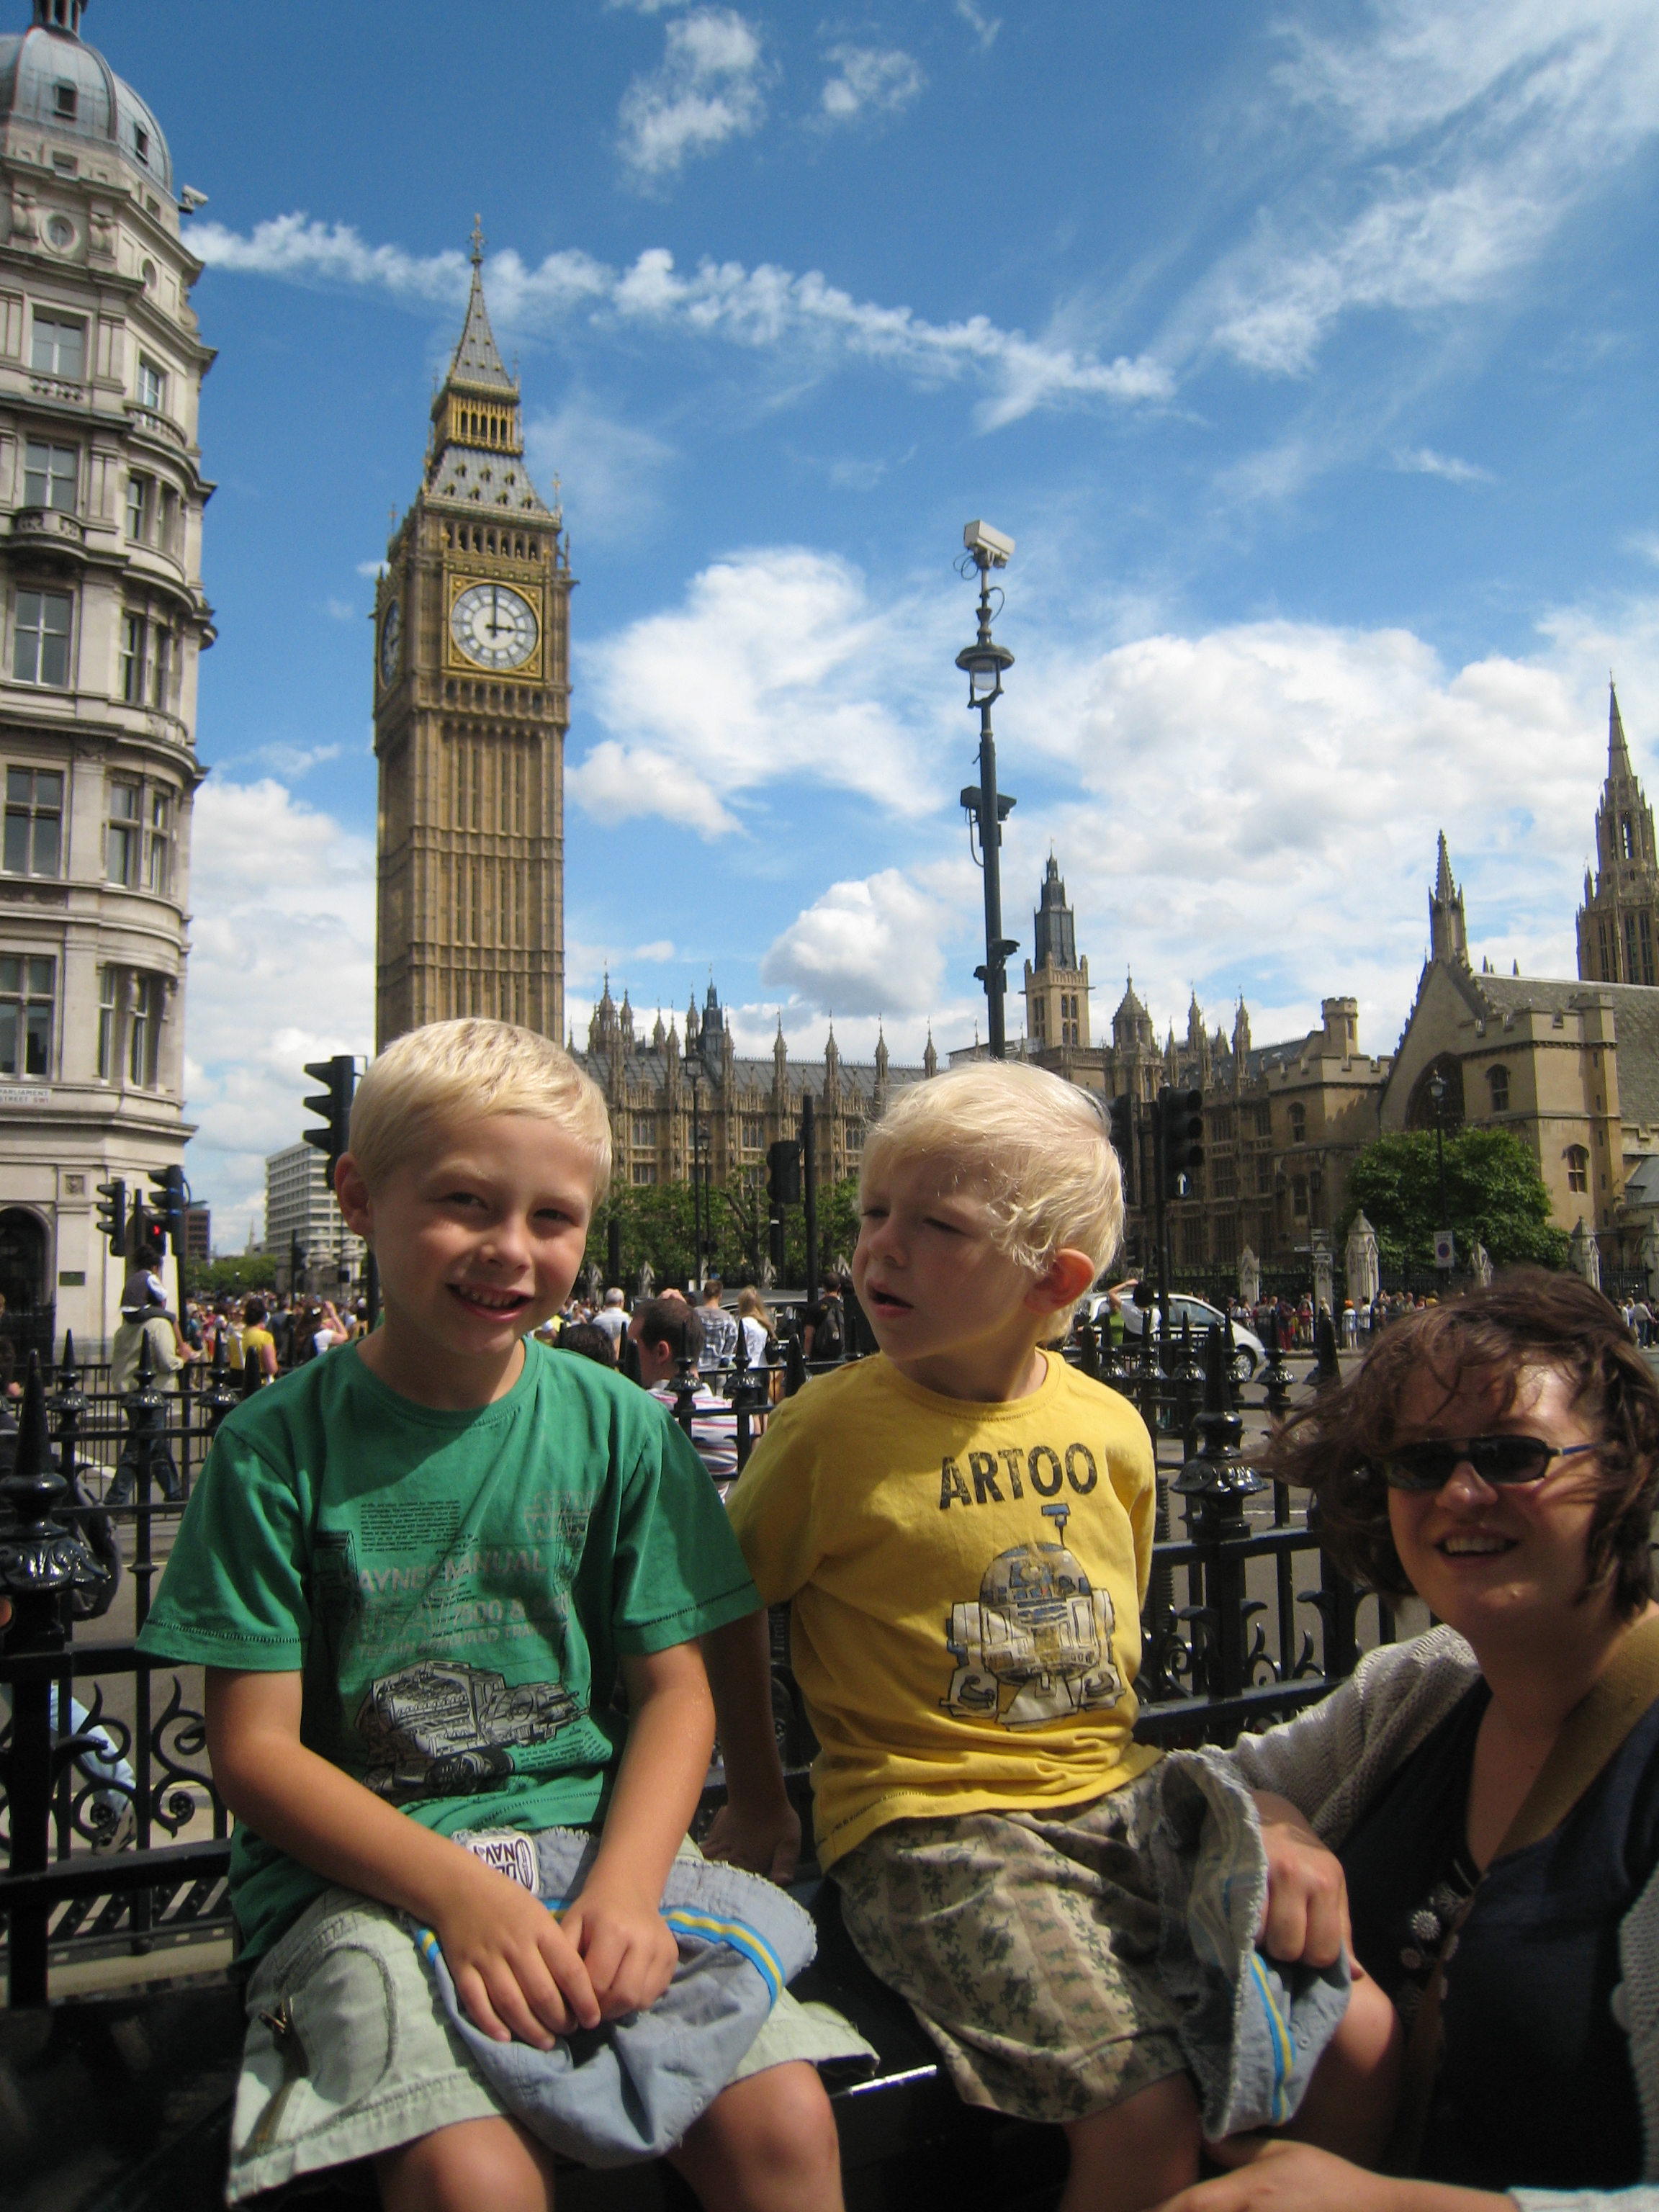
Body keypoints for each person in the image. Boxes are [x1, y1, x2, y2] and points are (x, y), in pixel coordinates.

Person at [133, 1019, 851, 2212]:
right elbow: (252, 1752)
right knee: (470, 2175)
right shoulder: (275, 1448)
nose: (509, 1248)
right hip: (366, 1877)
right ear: (358, 1200)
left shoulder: (617, 1425)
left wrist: (626, 1887)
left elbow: (678, 1691)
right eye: (464, 1202)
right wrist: (463, 1894)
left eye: (551, 1217)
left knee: (783, 2118)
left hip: (599, 1849)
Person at [702, 1061, 1395, 2212]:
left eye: (935, 1226)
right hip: (935, 1820)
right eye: (873, 1212)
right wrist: (763, 1793)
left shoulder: (1110, 1427)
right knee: (1142, 2114)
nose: (879, 1249)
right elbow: (721, 1604)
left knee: (1358, 2037)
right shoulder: (826, 1432)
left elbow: (1121, 1610)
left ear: (1056, 1278)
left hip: (1116, 1789)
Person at [1158, 1268, 1659, 2211]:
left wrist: (1387, 2206)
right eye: (1421, 1464)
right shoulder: (1423, 1688)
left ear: (1622, 1468)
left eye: (1512, 1455)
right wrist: (1269, 1822)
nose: (1462, 1492)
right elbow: (1176, 1795)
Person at [628, 1298, 737, 1488]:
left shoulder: (635, 1411)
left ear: (661, 1352)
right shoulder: (734, 1418)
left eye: (634, 1348)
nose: (628, 1358)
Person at [697, 1278, 738, 1372]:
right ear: (720, 1296)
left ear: (704, 1295)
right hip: (718, 1369)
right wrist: (724, 1355)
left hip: (698, 1369)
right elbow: (732, 1342)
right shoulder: (728, 1319)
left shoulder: (694, 1315)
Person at [238, 1295, 278, 1385]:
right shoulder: (265, 1337)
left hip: (239, 1381)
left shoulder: (236, 1336)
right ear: (263, 1317)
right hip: (259, 1383)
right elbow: (272, 1369)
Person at [593, 1285, 629, 1350]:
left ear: (606, 1302)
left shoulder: (597, 1321)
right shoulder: (628, 1319)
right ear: (621, 1302)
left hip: (603, 1354)